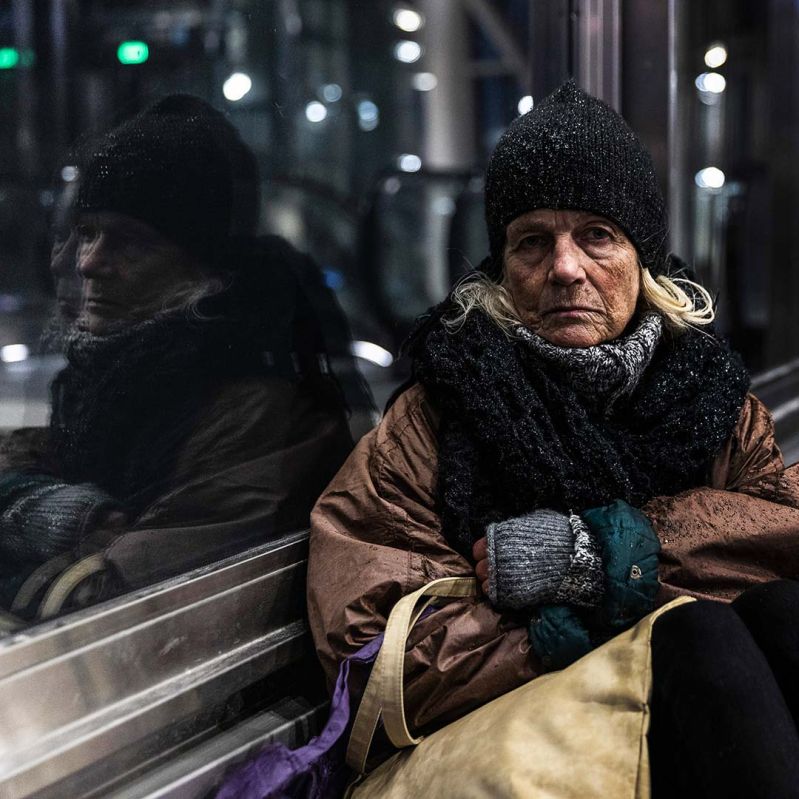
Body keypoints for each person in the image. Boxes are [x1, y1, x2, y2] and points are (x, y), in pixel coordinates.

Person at [307, 81, 799, 796]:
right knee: (697, 636)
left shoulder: (711, 399)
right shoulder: (434, 417)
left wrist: (606, 554)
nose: (564, 268)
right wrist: (568, 629)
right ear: (502, 267)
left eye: (596, 236)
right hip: (526, 739)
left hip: (700, 735)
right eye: (532, 242)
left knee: (779, 613)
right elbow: (380, 661)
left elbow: (775, 538)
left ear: (642, 260)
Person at [0, 95, 355, 614]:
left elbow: (103, 602)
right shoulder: (107, 387)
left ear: (201, 269)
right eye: (86, 233)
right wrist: (25, 510)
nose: (88, 262)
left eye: (129, 241)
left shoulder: (259, 413)